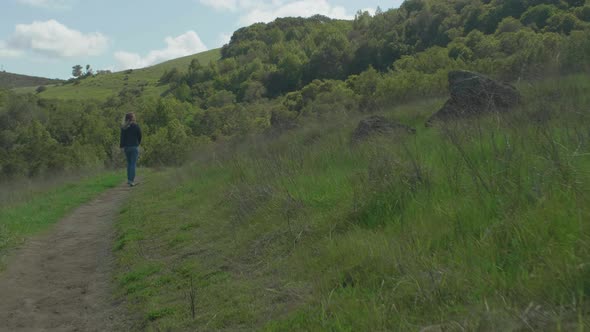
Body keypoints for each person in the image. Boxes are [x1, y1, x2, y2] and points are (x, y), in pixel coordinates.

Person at [120, 112, 142, 187]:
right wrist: (138, 143)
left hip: (126, 147)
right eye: (134, 116)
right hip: (134, 146)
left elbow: (122, 137)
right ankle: (132, 181)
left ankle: (129, 180)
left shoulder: (124, 127)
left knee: (129, 163)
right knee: (133, 164)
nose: (135, 117)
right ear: (132, 118)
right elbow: (140, 135)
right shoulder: (136, 126)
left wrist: (122, 146)